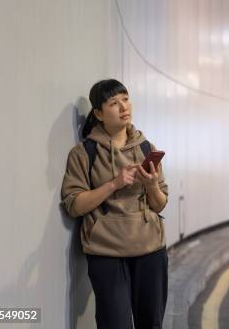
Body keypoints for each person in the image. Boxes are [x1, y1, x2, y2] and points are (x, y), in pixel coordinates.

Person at [61, 79, 169, 329]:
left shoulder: (145, 147)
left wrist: (151, 184)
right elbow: (74, 204)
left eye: (126, 99)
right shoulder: (83, 153)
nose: (123, 107)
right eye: (113, 103)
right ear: (98, 113)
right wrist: (114, 183)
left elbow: (160, 204)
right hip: (106, 251)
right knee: (114, 323)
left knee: (151, 323)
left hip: (150, 249)